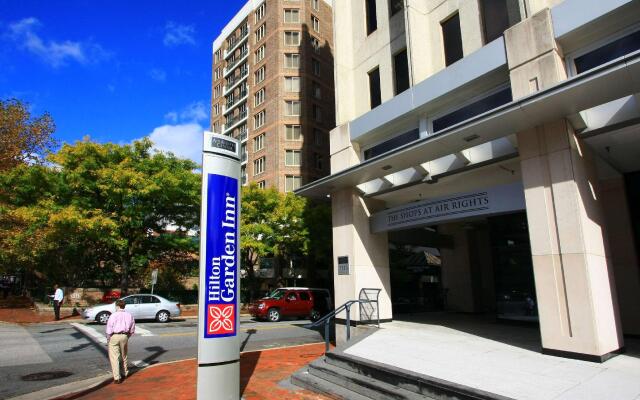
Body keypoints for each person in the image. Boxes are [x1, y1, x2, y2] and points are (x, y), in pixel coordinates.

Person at [105, 299, 136, 384]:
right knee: (124, 355)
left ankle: (117, 377)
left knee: (114, 357)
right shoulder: (129, 315)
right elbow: (132, 328)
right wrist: (128, 335)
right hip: (125, 335)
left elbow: (109, 328)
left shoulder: (113, 315)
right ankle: (124, 372)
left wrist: (108, 338)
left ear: (117, 306)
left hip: (114, 336)